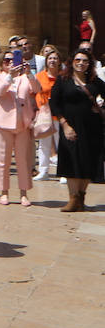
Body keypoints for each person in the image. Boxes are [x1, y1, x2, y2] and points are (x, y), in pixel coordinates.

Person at [51, 48, 105, 213]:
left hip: (92, 127)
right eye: (78, 60)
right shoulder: (63, 80)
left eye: (85, 61)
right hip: (70, 126)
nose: (81, 63)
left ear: (90, 64)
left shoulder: (95, 81)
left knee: (87, 161)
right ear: (72, 62)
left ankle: (81, 197)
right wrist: (64, 124)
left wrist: (101, 108)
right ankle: (73, 198)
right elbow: (54, 103)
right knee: (71, 160)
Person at [0, 49, 37, 207]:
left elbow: (36, 89)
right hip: (3, 124)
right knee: (3, 160)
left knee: (23, 159)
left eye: (12, 60)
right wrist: (10, 76)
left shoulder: (24, 77)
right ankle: (4, 192)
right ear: (1, 63)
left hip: (22, 123)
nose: (10, 63)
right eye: (6, 60)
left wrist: (29, 74)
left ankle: (24, 193)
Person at [33, 45, 62, 181]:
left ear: (59, 61)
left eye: (55, 58)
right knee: (44, 144)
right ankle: (43, 171)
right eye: (50, 58)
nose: (52, 60)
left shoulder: (63, 77)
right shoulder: (39, 76)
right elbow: (35, 93)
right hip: (45, 113)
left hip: (59, 114)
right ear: (46, 61)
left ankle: (63, 172)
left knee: (61, 143)